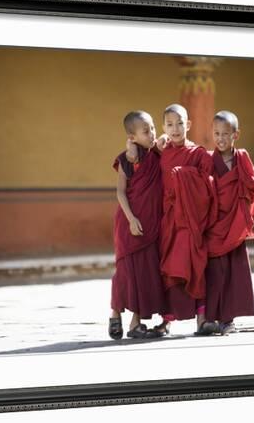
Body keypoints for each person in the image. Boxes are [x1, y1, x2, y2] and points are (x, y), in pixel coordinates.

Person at [126, 104, 218, 336]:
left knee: (195, 268)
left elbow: (208, 185)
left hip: (191, 223)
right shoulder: (161, 152)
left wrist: (183, 176)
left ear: (188, 125)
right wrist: (132, 148)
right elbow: (141, 172)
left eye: (179, 124)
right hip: (167, 222)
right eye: (169, 124)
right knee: (168, 270)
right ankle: (166, 321)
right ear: (164, 127)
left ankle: (202, 319)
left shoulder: (198, 153)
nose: (175, 129)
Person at [204, 110, 254, 335]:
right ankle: (211, 317)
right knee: (215, 272)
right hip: (216, 224)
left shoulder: (242, 157)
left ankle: (228, 319)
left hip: (236, 224)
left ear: (235, 135)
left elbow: (253, 185)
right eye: (216, 133)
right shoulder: (209, 159)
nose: (220, 138)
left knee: (234, 272)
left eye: (225, 134)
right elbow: (203, 190)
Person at [109, 110, 166, 339]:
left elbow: (168, 139)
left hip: (151, 225)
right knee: (125, 272)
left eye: (152, 128)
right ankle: (115, 314)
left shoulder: (156, 154)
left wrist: (159, 142)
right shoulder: (126, 159)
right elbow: (120, 193)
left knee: (145, 273)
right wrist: (132, 219)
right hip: (129, 223)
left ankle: (135, 323)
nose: (152, 133)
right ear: (132, 137)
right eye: (146, 131)